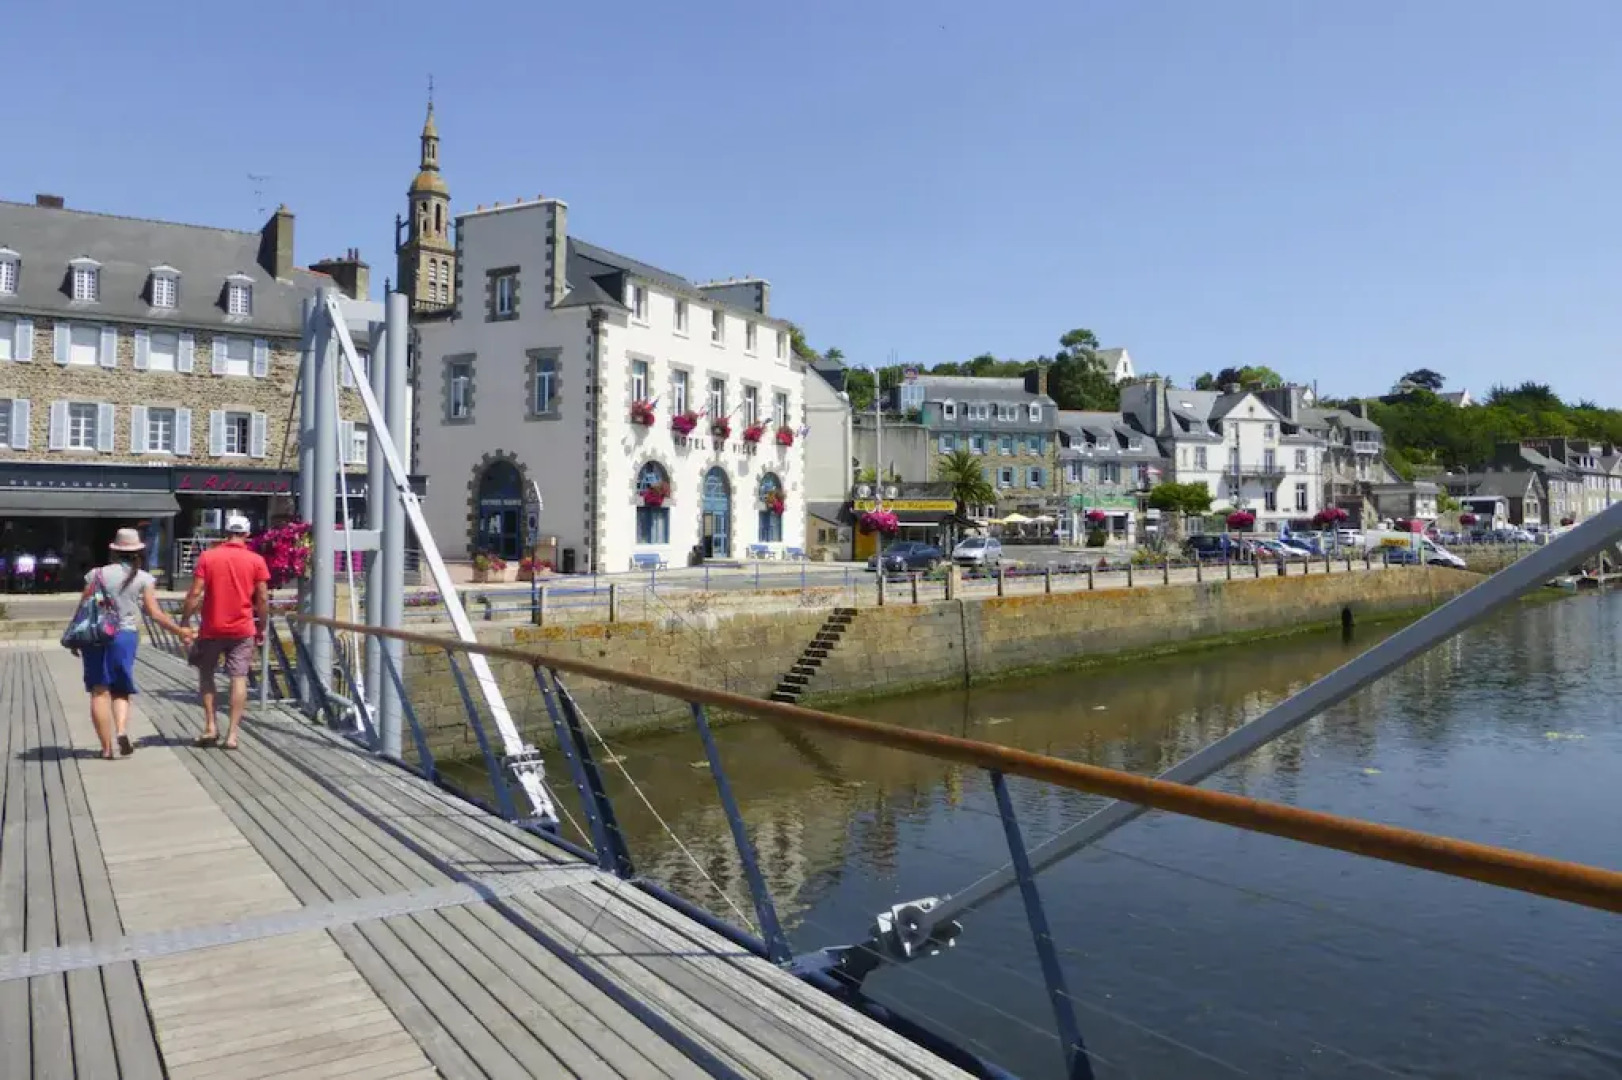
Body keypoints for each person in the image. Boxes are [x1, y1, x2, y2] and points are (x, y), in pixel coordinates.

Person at [74, 528, 192, 759]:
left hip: (96, 636)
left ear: (114, 551)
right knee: (121, 690)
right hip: (125, 636)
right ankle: (121, 730)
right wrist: (179, 631)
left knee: (99, 691)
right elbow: (155, 613)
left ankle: (106, 749)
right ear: (138, 552)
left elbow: (83, 608)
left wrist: (75, 638)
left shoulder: (95, 574)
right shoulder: (143, 578)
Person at [179, 515, 270, 750]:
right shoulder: (256, 560)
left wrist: (185, 620)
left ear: (225, 532)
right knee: (238, 678)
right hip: (243, 628)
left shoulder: (208, 557)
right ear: (247, 534)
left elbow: (195, 593)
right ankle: (232, 735)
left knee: (206, 674)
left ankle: (210, 726)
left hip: (212, 627)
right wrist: (262, 625)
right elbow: (262, 597)